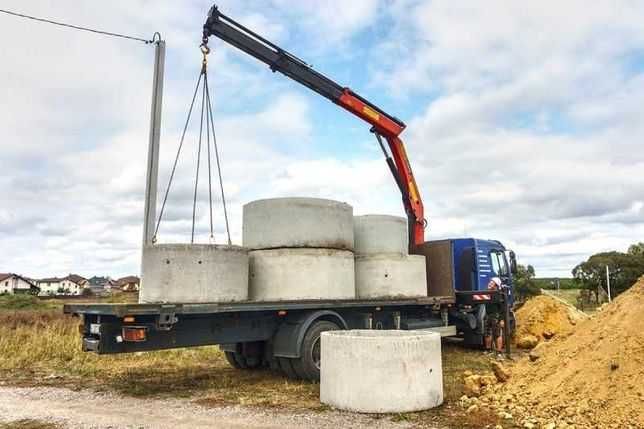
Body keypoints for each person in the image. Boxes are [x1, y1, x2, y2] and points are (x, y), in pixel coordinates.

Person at [484, 277, 505, 356]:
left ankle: (499, 352)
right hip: (487, 315)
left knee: (497, 334)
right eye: (490, 282)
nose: (489, 284)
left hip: (496, 316)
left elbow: (503, 308)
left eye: (492, 283)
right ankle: (488, 350)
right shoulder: (486, 293)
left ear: (496, 286)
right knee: (487, 333)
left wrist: (502, 320)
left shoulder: (498, 295)